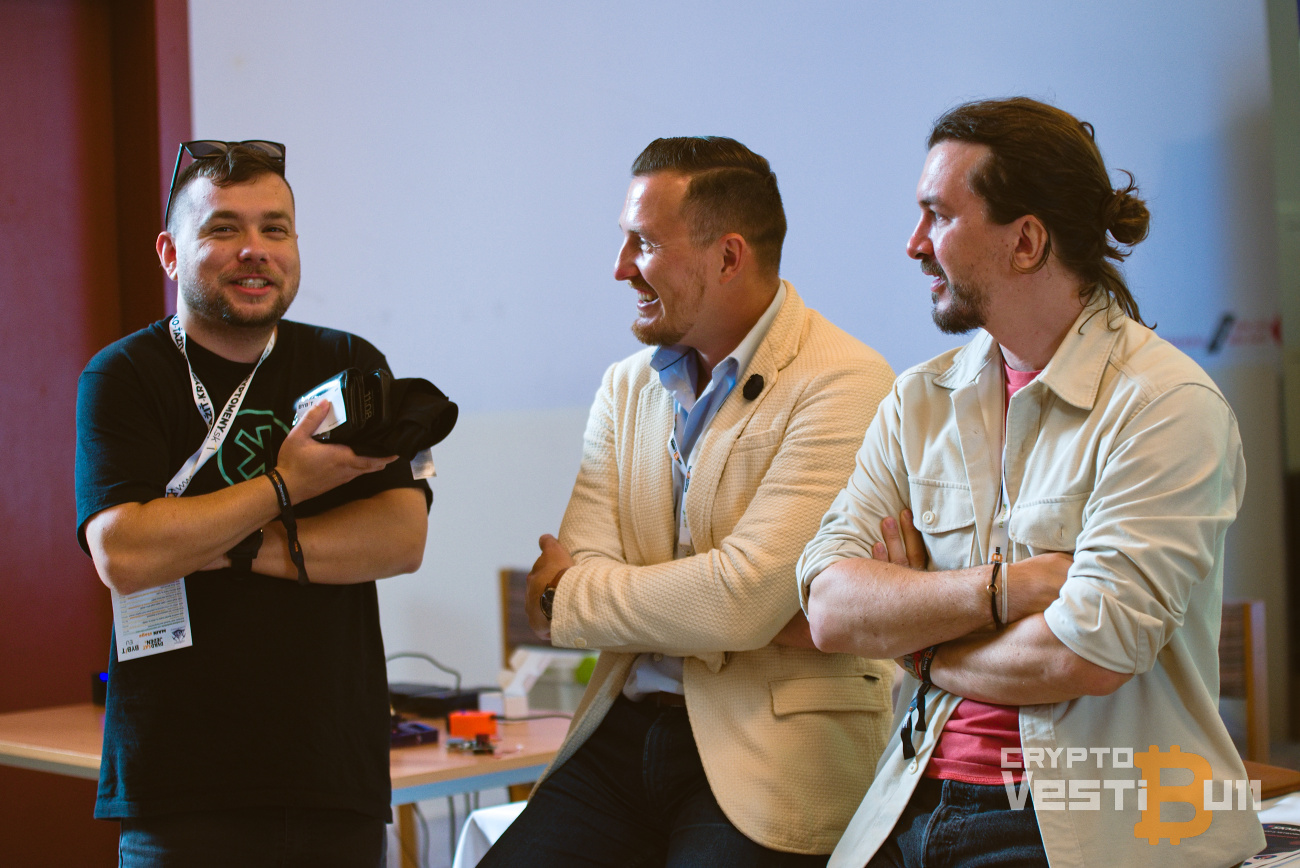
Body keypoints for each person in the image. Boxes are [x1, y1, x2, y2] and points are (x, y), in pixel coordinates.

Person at [798, 98, 1265, 867]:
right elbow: (828, 607)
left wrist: (921, 650)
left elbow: (1084, 656)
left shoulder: (1165, 404)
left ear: (1025, 241)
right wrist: (1004, 591)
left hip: (1075, 819)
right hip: (905, 800)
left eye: (938, 215)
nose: (914, 244)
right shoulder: (919, 400)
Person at [479, 137, 897, 866]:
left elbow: (740, 597)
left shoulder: (847, 381)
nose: (620, 268)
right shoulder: (625, 386)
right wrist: (739, 610)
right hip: (624, 730)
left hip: (773, 747)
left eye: (644, 244)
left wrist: (573, 596)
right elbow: (738, 603)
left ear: (728, 257)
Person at [75, 141, 432, 867]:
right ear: (171, 253)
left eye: (275, 229)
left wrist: (230, 545)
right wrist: (285, 487)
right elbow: (125, 553)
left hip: (333, 776)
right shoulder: (124, 375)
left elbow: (400, 538)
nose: (255, 250)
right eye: (223, 229)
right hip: (178, 788)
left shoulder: (348, 364)